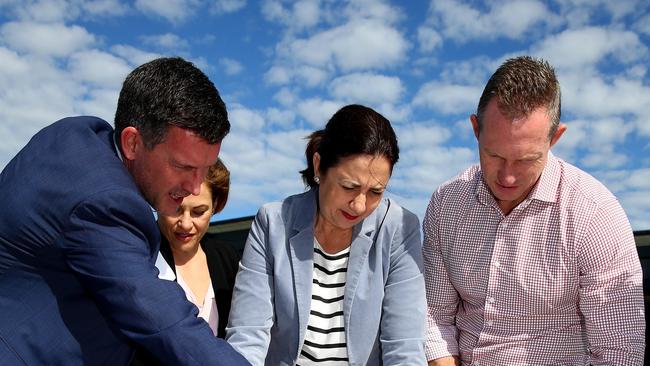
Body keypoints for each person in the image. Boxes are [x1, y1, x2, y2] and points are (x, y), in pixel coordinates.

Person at [0, 57, 249, 365]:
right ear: (132, 142)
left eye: (205, 169)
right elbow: (162, 321)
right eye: (184, 166)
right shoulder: (105, 203)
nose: (196, 186)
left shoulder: (78, 134)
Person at [423, 56, 645, 365]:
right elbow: (435, 317)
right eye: (494, 155)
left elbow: (619, 351)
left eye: (526, 159)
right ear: (475, 129)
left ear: (555, 138)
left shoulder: (596, 215)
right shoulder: (446, 205)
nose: (507, 177)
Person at [225, 104, 426, 365]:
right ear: (318, 166)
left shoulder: (399, 228)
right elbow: (247, 335)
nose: (360, 205)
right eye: (349, 187)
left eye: (376, 192)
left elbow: (405, 348)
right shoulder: (272, 223)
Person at [132, 158, 241, 365]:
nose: (186, 223)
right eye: (176, 210)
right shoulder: (140, 254)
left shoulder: (227, 258)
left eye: (199, 212)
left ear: (215, 206)